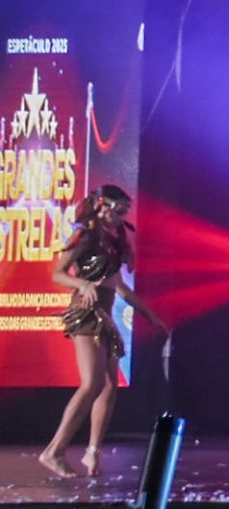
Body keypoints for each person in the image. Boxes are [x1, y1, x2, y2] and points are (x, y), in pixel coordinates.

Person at [39, 185, 170, 478]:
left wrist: (149, 314)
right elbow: (58, 273)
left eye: (125, 212)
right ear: (102, 205)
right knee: (92, 383)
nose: (122, 217)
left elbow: (119, 286)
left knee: (110, 385)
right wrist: (83, 284)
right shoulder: (85, 235)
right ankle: (54, 451)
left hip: (105, 317)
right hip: (86, 313)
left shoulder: (113, 240)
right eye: (119, 211)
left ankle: (93, 451)